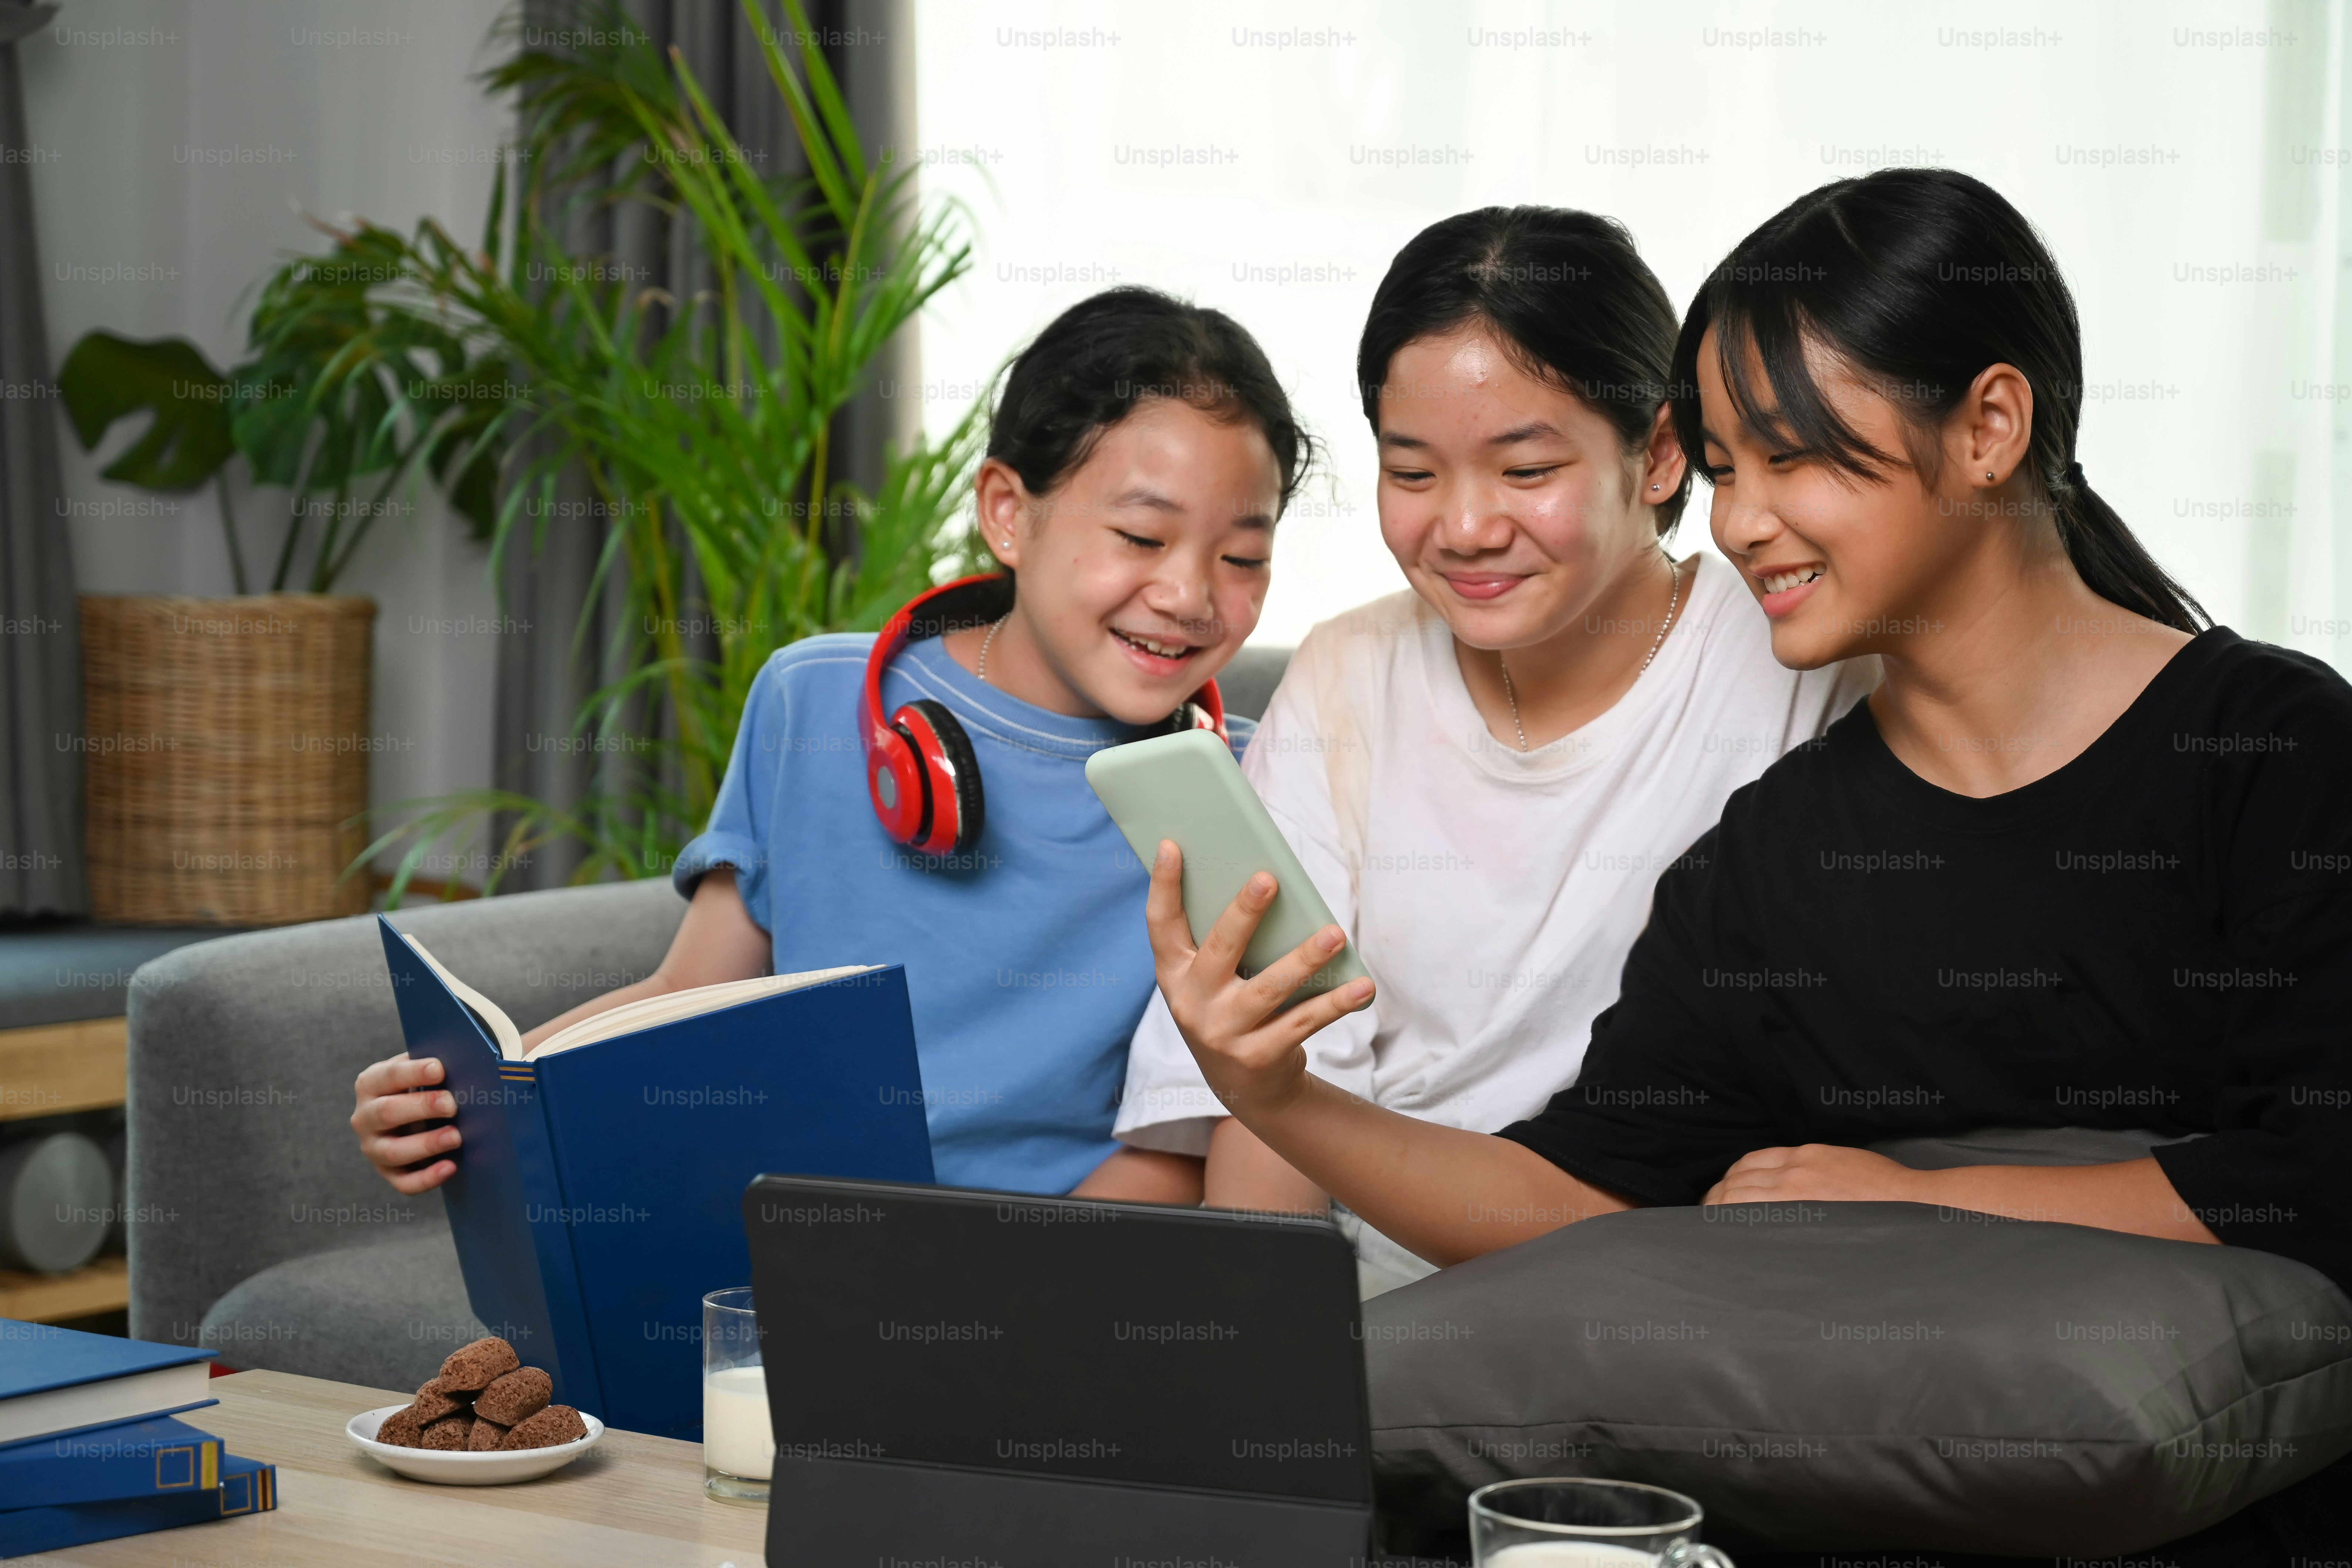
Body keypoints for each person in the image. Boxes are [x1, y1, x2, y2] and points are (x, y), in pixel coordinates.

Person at [1142, 167, 2352, 1299]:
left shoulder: (2269, 753)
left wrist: (1918, 1204)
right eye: (1728, 470)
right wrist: (1280, 1098)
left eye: (1789, 457)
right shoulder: (1779, 852)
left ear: (1987, 427)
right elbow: (1578, 1195)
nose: (1738, 522)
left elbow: (2317, 1179)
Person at [350, 286, 1311, 1201]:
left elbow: (1179, 1154)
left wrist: (978, 1286)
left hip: (1045, 1276)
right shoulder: (812, 701)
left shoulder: (1241, 794)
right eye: (1142, 538)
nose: (1190, 595)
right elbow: (691, 988)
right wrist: (471, 1098)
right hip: (786, 1236)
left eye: (1241, 558)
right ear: (1008, 514)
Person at [1111, 207, 1875, 1294]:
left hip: (1634, 1287)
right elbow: (1277, 1092)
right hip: (1351, 1298)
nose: (1463, 528)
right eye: (1412, 473)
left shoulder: (1794, 659)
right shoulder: (1349, 669)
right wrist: (1266, 1396)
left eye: (1524, 471)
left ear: (1658, 453)